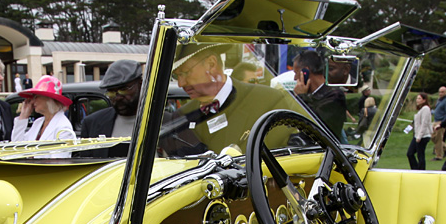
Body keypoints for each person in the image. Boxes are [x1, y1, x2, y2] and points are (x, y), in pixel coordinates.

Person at [161, 45, 297, 156]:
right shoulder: (182, 116)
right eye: (177, 76)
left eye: (185, 73)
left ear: (211, 64)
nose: (180, 83)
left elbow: (289, 158)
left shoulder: (268, 101)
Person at [79, 59, 142, 156]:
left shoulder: (165, 122)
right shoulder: (92, 124)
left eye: (123, 90)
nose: (118, 97)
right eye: (111, 92)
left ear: (141, 84)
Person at [11, 75, 75, 159]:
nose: (32, 101)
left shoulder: (63, 127)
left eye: (36, 97)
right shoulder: (38, 122)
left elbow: (58, 163)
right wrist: (23, 116)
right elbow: (16, 147)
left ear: (49, 99)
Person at [292, 50, 350, 141]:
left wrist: (301, 97)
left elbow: (316, 124)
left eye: (296, 73)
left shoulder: (335, 96)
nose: (295, 78)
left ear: (305, 72)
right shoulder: (311, 95)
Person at [407, 92, 432, 170]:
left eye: (419, 98)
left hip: (423, 136)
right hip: (417, 135)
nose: (417, 100)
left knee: (420, 155)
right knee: (410, 153)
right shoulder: (421, 109)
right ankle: (415, 169)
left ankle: (421, 171)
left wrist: (419, 136)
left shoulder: (426, 109)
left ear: (424, 100)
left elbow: (424, 123)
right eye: (417, 98)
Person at [431, 85, 446, 160]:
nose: (440, 93)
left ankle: (439, 156)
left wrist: (443, 122)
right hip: (435, 120)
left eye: (442, 92)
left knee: (438, 138)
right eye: (439, 92)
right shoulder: (439, 99)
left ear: (445, 92)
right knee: (432, 137)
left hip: (441, 121)